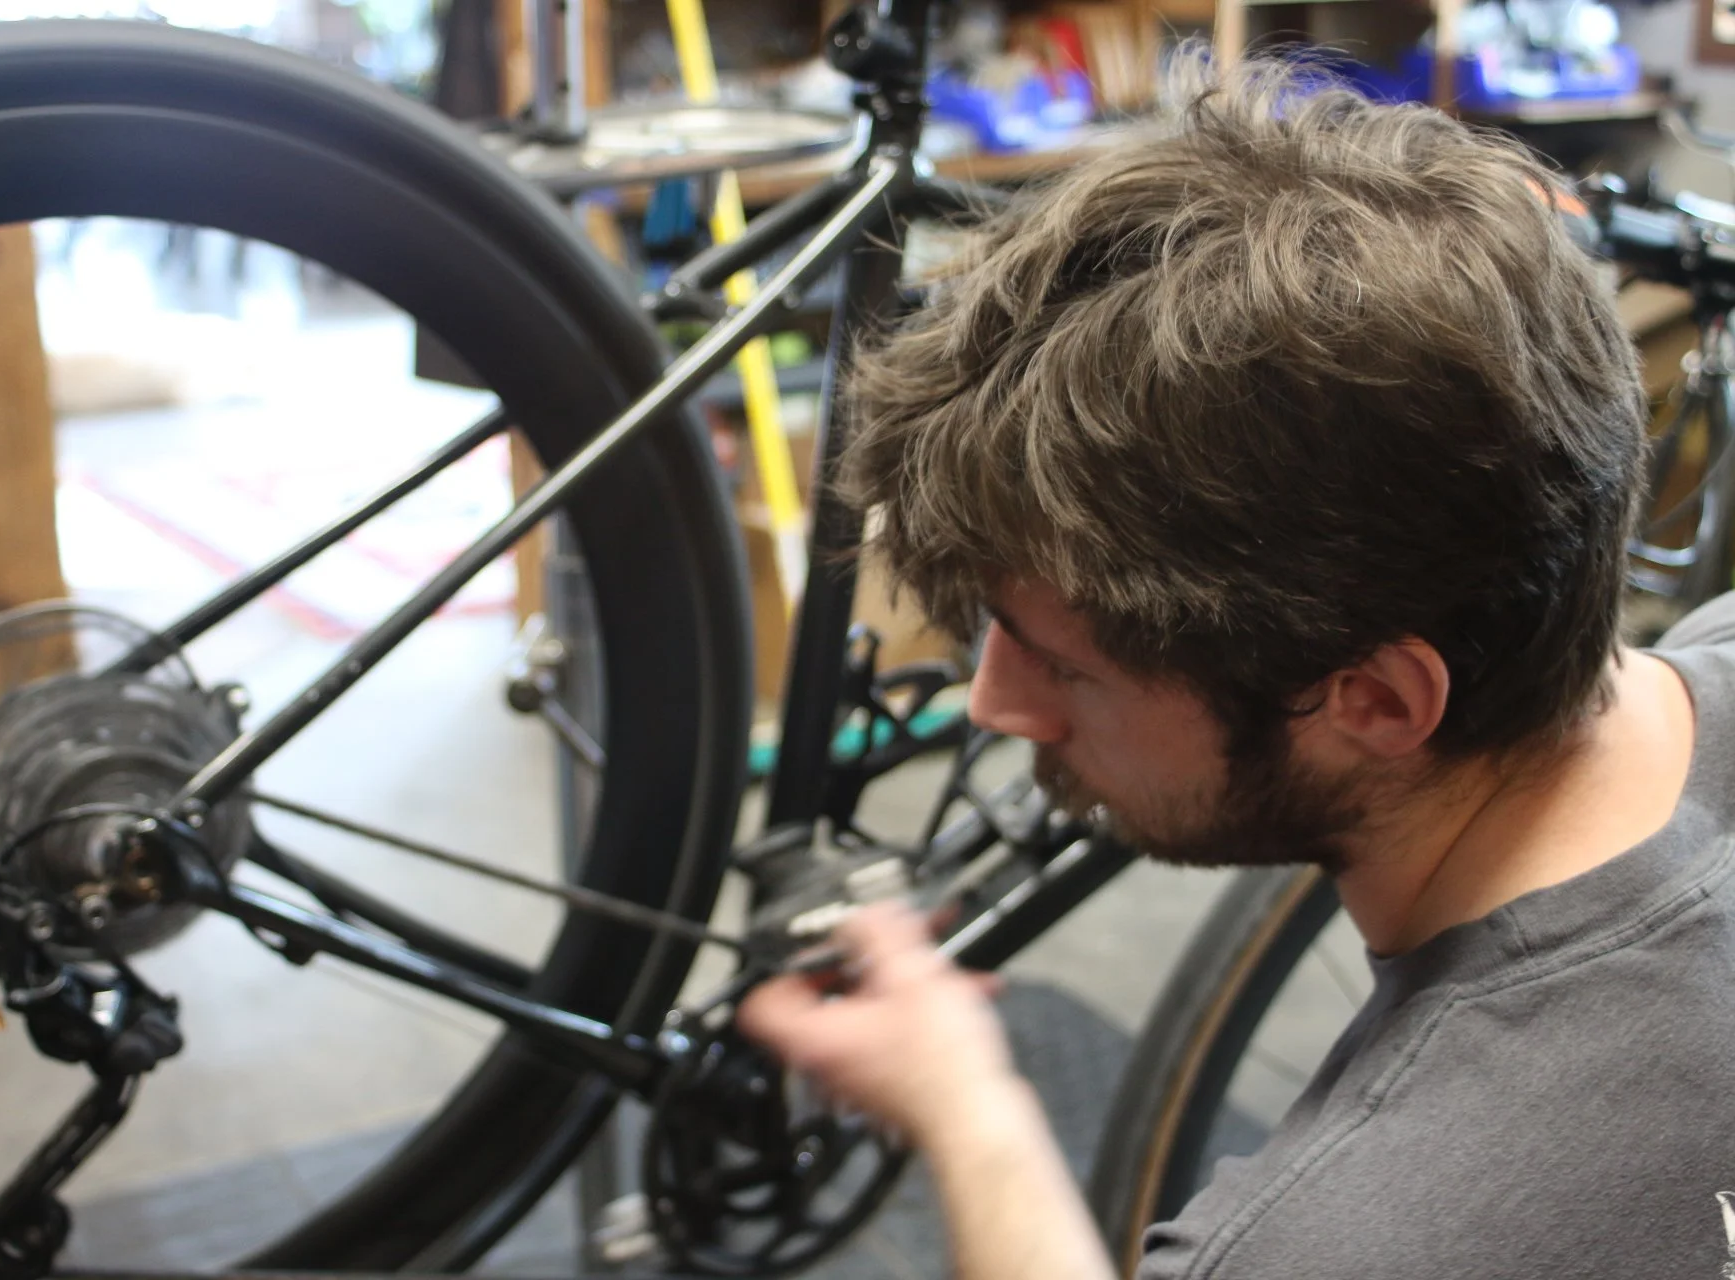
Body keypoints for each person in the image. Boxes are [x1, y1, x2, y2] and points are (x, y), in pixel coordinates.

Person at [738, 52, 1735, 1279]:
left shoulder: (1345, 1236)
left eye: (1063, 664)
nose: (994, 702)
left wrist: (967, 1110)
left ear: (1374, 699)